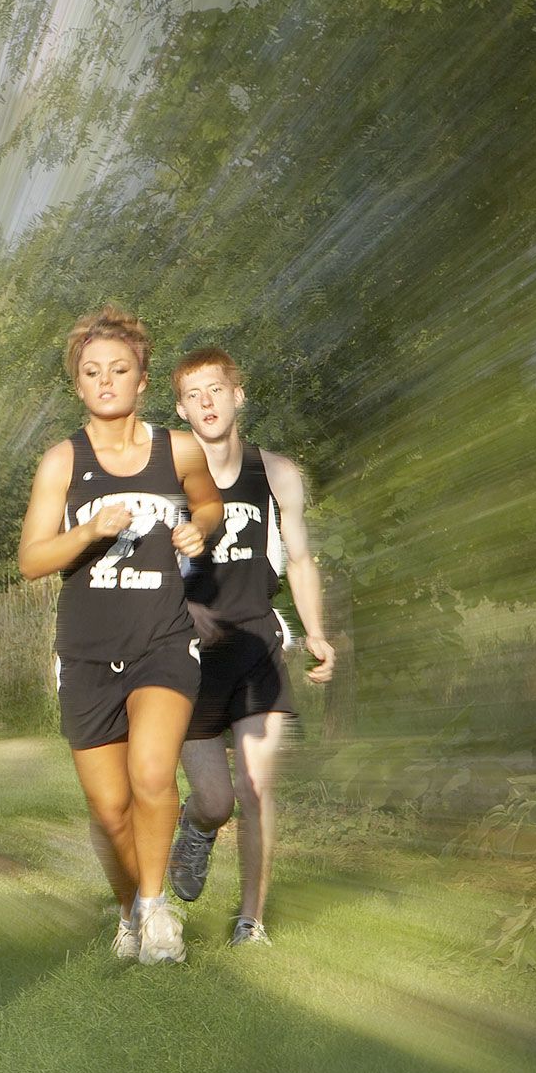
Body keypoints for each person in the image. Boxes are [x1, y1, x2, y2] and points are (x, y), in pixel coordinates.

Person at [16, 308, 220, 965]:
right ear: (78, 384)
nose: (106, 381)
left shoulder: (176, 449)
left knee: (153, 772)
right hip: (84, 652)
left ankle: (158, 910)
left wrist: (200, 528)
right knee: (109, 810)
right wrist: (88, 532)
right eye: (92, 371)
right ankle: (130, 907)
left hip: (163, 639)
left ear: (142, 378)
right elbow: (31, 559)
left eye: (119, 370)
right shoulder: (61, 462)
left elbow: (208, 499)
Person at [164, 348, 336, 944]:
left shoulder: (277, 472)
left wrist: (314, 632)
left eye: (216, 389)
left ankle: (250, 922)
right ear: (181, 408)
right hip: (186, 651)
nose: (206, 402)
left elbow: (301, 557)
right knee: (216, 801)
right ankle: (197, 826)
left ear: (239, 396)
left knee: (257, 788)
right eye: (194, 394)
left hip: (256, 643)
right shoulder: (166, 473)